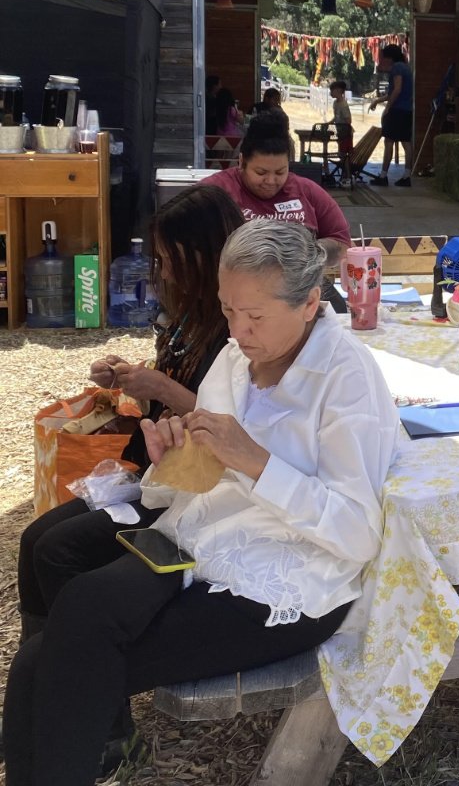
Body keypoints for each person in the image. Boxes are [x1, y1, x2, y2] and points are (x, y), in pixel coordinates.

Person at [3, 219, 400, 786]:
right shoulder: (239, 357)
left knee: (74, 646)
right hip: (204, 545)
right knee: (57, 640)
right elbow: (190, 488)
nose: (238, 331)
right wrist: (172, 459)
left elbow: (358, 532)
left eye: (255, 316)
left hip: (288, 583)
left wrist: (257, 461)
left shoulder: (347, 379)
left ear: (311, 302)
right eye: (228, 310)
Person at [11, 185, 243, 773]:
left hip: (202, 487)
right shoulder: (190, 310)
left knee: (62, 552)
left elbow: (239, 427)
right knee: (37, 540)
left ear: (205, 252)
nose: (159, 270)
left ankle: (103, 728)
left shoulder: (243, 322)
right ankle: (60, 698)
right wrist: (130, 383)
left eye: (168, 257)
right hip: (160, 467)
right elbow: (172, 398)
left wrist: (161, 389)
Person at [204, 112, 350, 312]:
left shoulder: (307, 191)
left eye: (281, 172)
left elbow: (341, 243)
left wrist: (306, 254)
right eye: (261, 173)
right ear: (241, 163)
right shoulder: (215, 192)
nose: (271, 181)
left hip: (298, 295)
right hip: (232, 299)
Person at [368, 43, 414, 187]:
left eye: (384, 58)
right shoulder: (406, 68)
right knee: (406, 143)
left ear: (389, 58)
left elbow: (397, 89)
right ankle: (407, 175)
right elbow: (394, 92)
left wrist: (387, 108)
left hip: (397, 110)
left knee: (389, 142)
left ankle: (383, 176)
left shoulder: (397, 68)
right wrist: (378, 100)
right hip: (406, 110)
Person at [329, 80, 354, 184]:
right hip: (339, 132)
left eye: (332, 90)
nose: (330, 92)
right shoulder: (335, 103)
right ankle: (345, 174)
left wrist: (342, 127)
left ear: (339, 91)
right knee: (341, 154)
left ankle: (348, 175)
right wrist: (329, 123)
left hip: (346, 133)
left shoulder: (343, 104)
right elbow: (336, 117)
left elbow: (348, 120)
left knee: (345, 155)